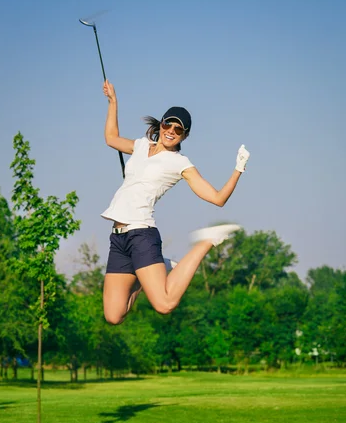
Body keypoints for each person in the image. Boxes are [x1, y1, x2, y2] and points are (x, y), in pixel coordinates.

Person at [101, 81, 250, 325]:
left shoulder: (180, 163)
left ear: (185, 135)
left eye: (178, 130)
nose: (171, 130)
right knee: (114, 315)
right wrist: (113, 101)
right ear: (160, 124)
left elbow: (218, 198)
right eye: (167, 124)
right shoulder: (140, 146)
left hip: (141, 234)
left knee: (165, 304)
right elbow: (110, 138)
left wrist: (239, 168)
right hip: (118, 238)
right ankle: (150, 269)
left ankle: (206, 242)